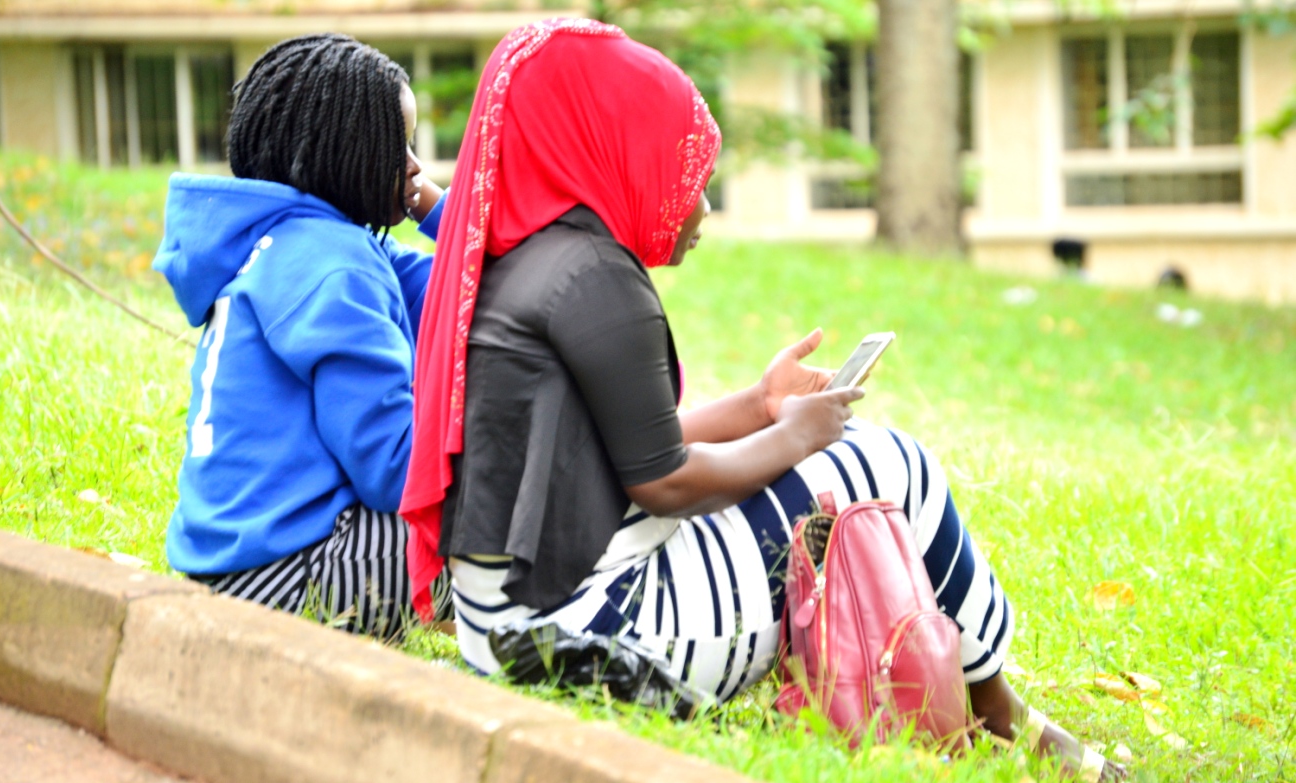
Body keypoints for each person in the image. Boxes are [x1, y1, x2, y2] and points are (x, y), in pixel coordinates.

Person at [401, 19, 1124, 781]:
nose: (702, 206)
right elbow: (664, 480)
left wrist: (759, 403)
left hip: (505, 627)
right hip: (588, 643)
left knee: (851, 458)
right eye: (685, 171)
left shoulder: (520, 258)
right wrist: (799, 435)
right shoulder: (595, 280)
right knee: (891, 462)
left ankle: (987, 702)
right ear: (615, 150)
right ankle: (1002, 714)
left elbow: (619, 446)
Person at [155, 33, 452, 639]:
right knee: (500, 527)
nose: (417, 166)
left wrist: (423, 201)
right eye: (397, 147)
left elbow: (471, 276)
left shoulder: (289, 242)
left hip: (227, 569)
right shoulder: (336, 266)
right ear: (342, 148)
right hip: (287, 581)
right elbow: (394, 471)